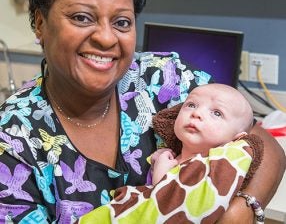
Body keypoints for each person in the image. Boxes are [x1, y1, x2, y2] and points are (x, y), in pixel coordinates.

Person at [0, 0, 284, 223]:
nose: (106, 38)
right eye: (82, 17)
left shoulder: (164, 79)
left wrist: (243, 209)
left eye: (122, 22)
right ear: (39, 23)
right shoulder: (13, 140)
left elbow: (262, 142)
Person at [77, 83, 264, 223]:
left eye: (217, 113)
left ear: (237, 138)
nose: (197, 113)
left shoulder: (214, 168)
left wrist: (161, 174)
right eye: (191, 105)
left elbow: (169, 202)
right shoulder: (166, 156)